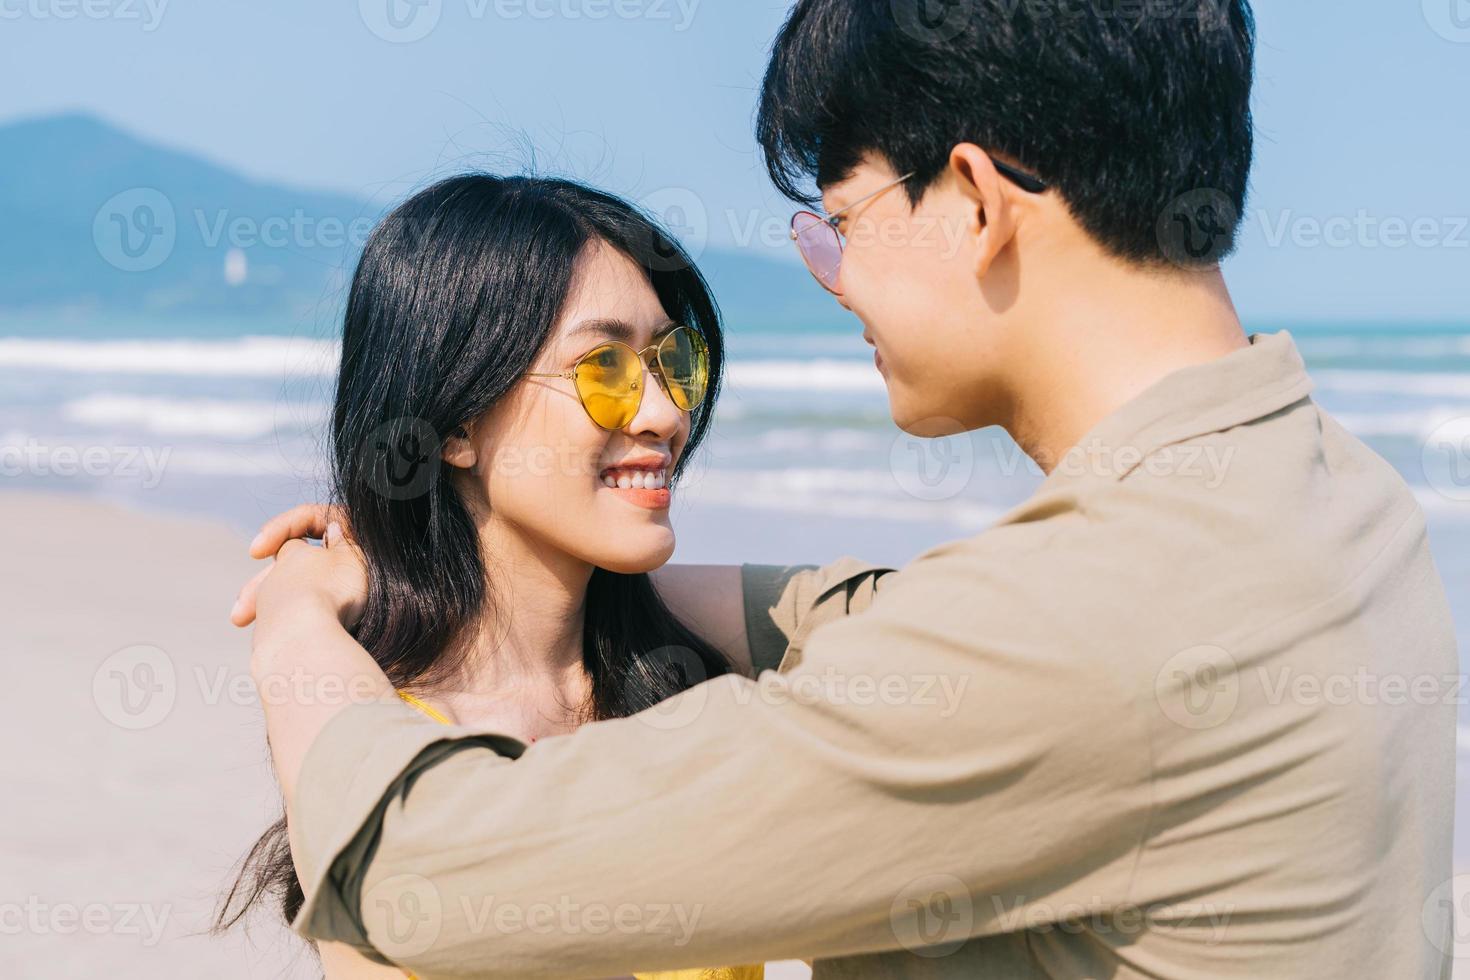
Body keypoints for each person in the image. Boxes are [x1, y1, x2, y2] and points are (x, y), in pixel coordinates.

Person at [235, 1, 1458, 975]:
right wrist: (552, 579)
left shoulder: (1068, 632)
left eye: (839, 222)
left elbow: (417, 869)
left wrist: (296, 613)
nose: (836, 279)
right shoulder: (1342, 497)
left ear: (975, 203)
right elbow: (889, 618)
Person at [217, 172, 763, 980]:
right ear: (456, 424)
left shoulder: (701, 701)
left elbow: (900, 620)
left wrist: (313, 591)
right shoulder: (374, 730)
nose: (665, 413)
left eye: (673, 360)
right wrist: (299, 609)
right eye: (604, 366)